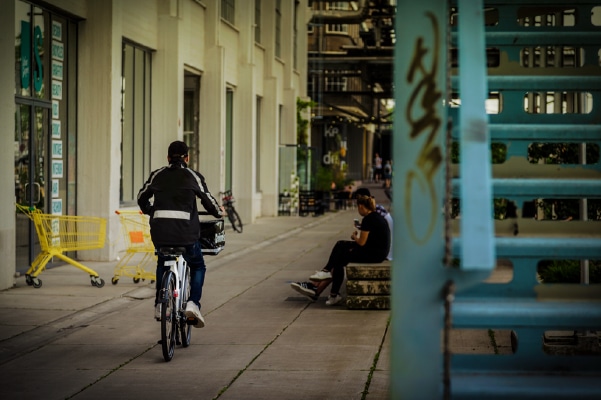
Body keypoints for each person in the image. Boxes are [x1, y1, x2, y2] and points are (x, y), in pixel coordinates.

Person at [137, 140, 223, 328]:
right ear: (187, 158)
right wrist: (219, 211)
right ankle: (193, 303)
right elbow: (208, 200)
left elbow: (141, 197)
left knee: (162, 261)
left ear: (168, 157)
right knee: (198, 265)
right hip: (186, 234)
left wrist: (150, 210)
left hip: (160, 232)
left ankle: (160, 304)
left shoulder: (157, 175)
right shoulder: (192, 176)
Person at [290, 189, 391, 305]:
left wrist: (354, 237)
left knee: (340, 258)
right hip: (377, 251)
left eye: (358, 207)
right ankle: (328, 285)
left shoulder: (368, 219)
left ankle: (327, 286)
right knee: (340, 245)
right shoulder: (376, 216)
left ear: (362, 206)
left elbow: (362, 243)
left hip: (374, 254)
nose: (358, 210)